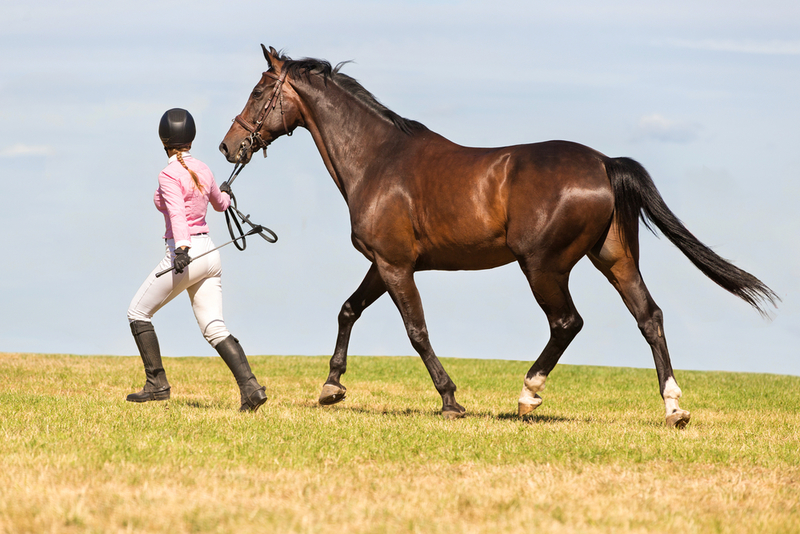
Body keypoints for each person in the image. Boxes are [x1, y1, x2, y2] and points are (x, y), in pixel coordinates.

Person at [126, 108, 267, 412]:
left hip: (186, 254)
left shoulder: (167, 174)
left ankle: (157, 384)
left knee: (137, 312)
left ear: (163, 138)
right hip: (210, 253)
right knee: (214, 326)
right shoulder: (203, 168)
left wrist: (182, 250)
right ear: (190, 137)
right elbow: (220, 204)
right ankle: (251, 388)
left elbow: (176, 214)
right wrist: (226, 195)